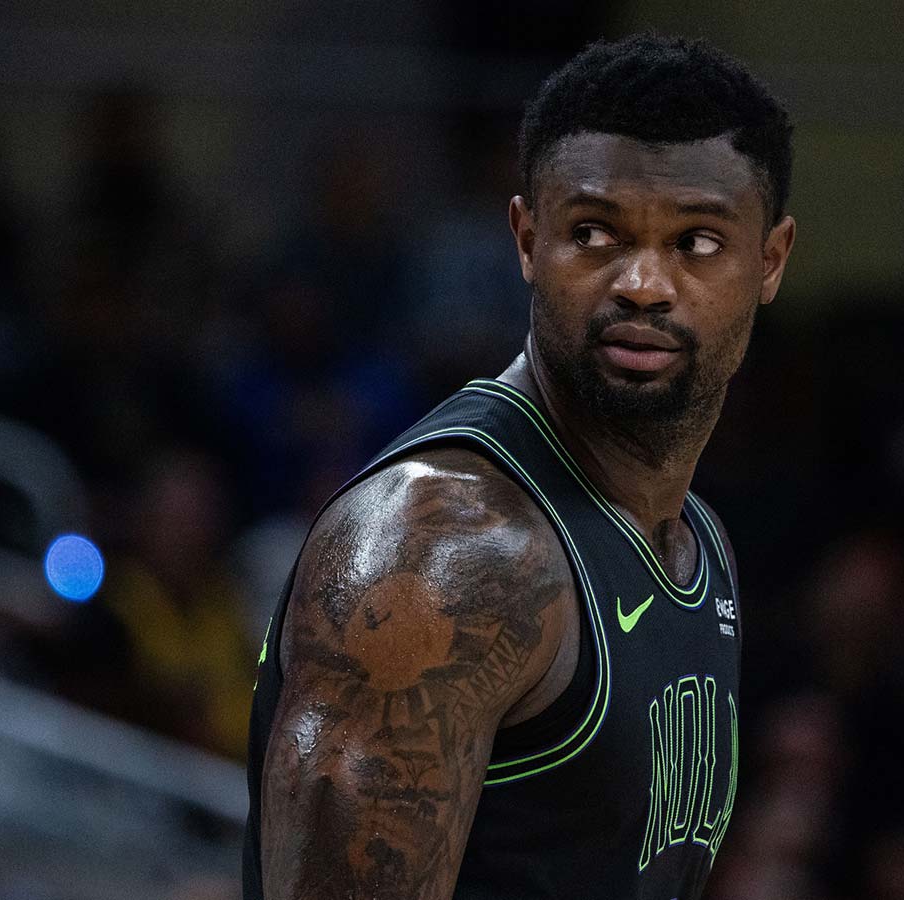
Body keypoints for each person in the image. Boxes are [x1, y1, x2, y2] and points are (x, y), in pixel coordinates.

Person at [243, 32, 796, 900]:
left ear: (770, 260)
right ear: (526, 238)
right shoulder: (443, 560)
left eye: (696, 242)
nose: (644, 283)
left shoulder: (697, 544)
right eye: (594, 232)